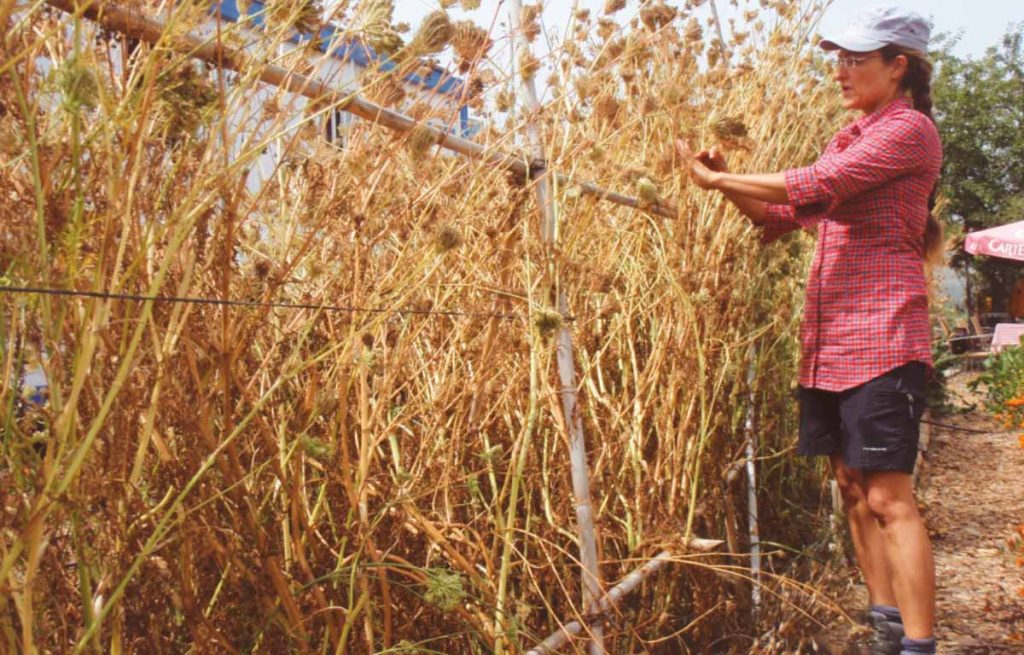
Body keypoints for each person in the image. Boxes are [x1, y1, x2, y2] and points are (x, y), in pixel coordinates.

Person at [677, 7, 942, 655]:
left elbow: (822, 184)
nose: (840, 70)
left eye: (855, 59)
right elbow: (777, 214)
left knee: (888, 496)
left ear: (897, 64)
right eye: (838, 58)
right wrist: (720, 185)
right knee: (852, 488)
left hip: (883, 337)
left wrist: (717, 175)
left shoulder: (909, 131)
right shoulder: (847, 136)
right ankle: (883, 628)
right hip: (829, 347)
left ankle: (919, 645)